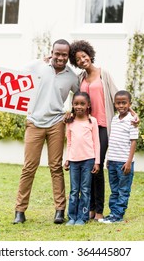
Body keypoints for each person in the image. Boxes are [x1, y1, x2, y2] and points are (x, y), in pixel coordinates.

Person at [68, 40, 138, 221]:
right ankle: (89, 208)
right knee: (88, 167)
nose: (82, 60)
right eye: (78, 59)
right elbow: (76, 101)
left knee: (96, 168)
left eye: (84, 56)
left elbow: (118, 96)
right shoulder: (79, 78)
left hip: (102, 126)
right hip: (85, 126)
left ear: (90, 55)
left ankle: (98, 210)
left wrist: (133, 112)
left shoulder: (103, 74)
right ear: (76, 63)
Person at [13, 39, 79, 224]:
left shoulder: (72, 77)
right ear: (52, 52)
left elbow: (81, 97)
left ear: (68, 56)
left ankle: (59, 210)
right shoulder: (37, 66)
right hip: (34, 122)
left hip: (56, 123)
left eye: (64, 54)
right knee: (29, 167)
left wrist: (71, 112)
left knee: (56, 167)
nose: (60, 57)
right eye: (57, 53)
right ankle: (20, 210)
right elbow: (9, 78)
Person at [99, 90, 139, 223]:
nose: (121, 106)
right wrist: (109, 159)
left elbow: (134, 142)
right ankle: (112, 213)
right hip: (113, 161)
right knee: (114, 189)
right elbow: (113, 141)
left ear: (129, 104)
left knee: (123, 190)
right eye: (118, 103)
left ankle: (118, 215)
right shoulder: (114, 119)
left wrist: (128, 162)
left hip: (124, 163)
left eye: (124, 103)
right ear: (114, 104)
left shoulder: (132, 121)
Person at [64, 91, 100, 226]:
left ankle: (82, 217)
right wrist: (67, 159)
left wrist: (97, 161)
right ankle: (72, 217)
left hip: (88, 160)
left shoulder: (92, 121)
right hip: (73, 161)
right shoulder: (70, 122)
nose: (79, 106)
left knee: (85, 190)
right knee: (74, 190)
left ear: (88, 105)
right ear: (72, 105)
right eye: (76, 104)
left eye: (82, 104)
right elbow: (69, 142)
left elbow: (97, 142)